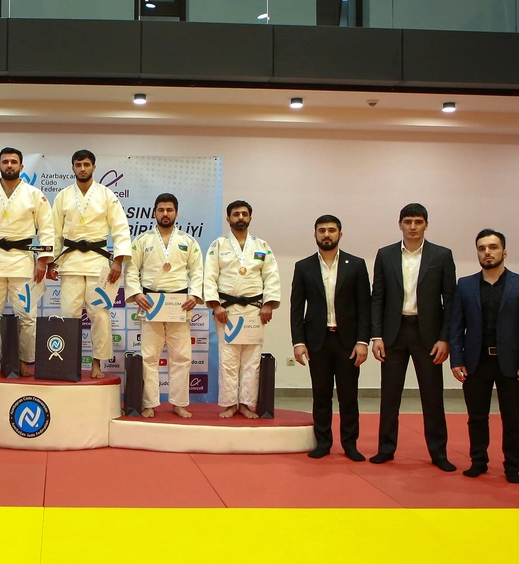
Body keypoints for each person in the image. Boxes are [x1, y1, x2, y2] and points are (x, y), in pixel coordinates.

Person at [369, 203, 457, 471]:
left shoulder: (441, 255)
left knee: (432, 396)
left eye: (418, 222)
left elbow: (450, 301)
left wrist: (445, 338)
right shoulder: (385, 255)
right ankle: (386, 448)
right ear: (400, 224)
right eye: (408, 222)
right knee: (389, 394)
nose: (413, 226)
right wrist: (376, 335)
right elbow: (377, 297)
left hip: (428, 335)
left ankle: (438, 453)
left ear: (426, 224)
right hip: (393, 333)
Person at [449, 229, 519, 483]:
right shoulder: (465, 285)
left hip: (511, 362)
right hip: (476, 362)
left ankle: (512, 467)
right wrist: (457, 359)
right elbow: (456, 326)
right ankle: (478, 461)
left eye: (493, 247)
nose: (487, 252)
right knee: (477, 417)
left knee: (513, 419)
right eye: (482, 248)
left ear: (504, 252)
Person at [290, 215, 370, 460]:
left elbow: (364, 306)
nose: (327, 234)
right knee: (321, 395)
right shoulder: (303, 267)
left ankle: (350, 444)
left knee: (349, 396)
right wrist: (298, 342)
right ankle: (323, 442)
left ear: (340, 234)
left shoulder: (356, 265)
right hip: (318, 341)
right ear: (315, 234)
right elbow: (297, 307)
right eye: (322, 230)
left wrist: (362, 341)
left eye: (332, 230)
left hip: (348, 342)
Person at [0, 148, 54, 377]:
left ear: (21, 167)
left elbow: (47, 228)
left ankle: (26, 361)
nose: (9, 165)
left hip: (22, 261)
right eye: (5, 161)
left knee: (27, 316)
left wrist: (43, 261)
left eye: (14, 162)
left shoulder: (34, 194)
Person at [49, 150, 132, 378]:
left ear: (94, 167)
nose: (82, 168)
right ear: (73, 168)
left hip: (98, 262)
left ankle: (97, 364)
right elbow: (54, 232)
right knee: (68, 315)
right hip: (70, 261)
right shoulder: (63, 196)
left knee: (100, 315)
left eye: (86, 164)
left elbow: (120, 228)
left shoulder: (106, 195)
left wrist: (118, 261)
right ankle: (68, 362)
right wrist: (51, 262)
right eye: (78, 164)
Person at [126, 193, 203, 418]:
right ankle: (149, 403)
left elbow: (198, 271)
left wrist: (195, 295)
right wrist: (136, 293)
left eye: (169, 210)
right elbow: (131, 270)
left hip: (179, 305)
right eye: (161, 210)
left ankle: (178, 403)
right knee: (149, 356)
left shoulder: (188, 241)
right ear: (154, 212)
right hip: (151, 303)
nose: (165, 214)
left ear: (176, 213)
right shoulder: (142, 241)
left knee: (181, 357)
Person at [203, 200, 281, 419]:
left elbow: (271, 276)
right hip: (226, 311)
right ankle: (230, 403)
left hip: (255, 311)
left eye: (244, 214)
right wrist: (215, 305)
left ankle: (246, 404)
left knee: (251, 360)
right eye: (236, 214)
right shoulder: (218, 245)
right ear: (228, 218)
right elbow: (209, 276)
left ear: (250, 218)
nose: (240, 217)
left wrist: (268, 304)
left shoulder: (262, 246)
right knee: (227, 359)